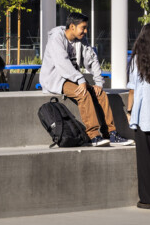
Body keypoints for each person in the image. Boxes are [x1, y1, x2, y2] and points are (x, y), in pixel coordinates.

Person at [42, 13, 132, 147]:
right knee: (82, 93)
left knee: (100, 93)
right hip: (55, 79)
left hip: (73, 79)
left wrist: (99, 83)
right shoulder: (56, 38)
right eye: (83, 28)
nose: (86, 31)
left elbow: (92, 59)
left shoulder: (82, 40)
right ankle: (93, 136)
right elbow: (62, 64)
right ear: (72, 27)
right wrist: (80, 79)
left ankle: (110, 133)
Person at [129, 23, 150, 209]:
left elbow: (133, 91)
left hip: (145, 116)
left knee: (146, 161)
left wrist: (130, 112)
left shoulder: (138, 60)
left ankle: (148, 199)